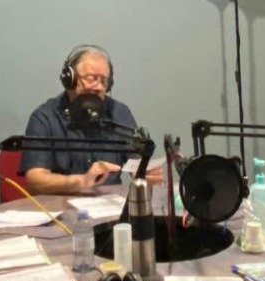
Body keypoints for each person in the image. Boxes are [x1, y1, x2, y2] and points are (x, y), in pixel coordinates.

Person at [19, 44, 161, 195]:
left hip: (110, 205)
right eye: (91, 78)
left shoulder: (119, 113)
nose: (98, 87)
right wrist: (81, 181)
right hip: (59, 205)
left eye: (104, 81)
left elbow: (136, 164)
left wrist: (144, 173)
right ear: (70, 79)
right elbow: (35, 181)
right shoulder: (45, 117)